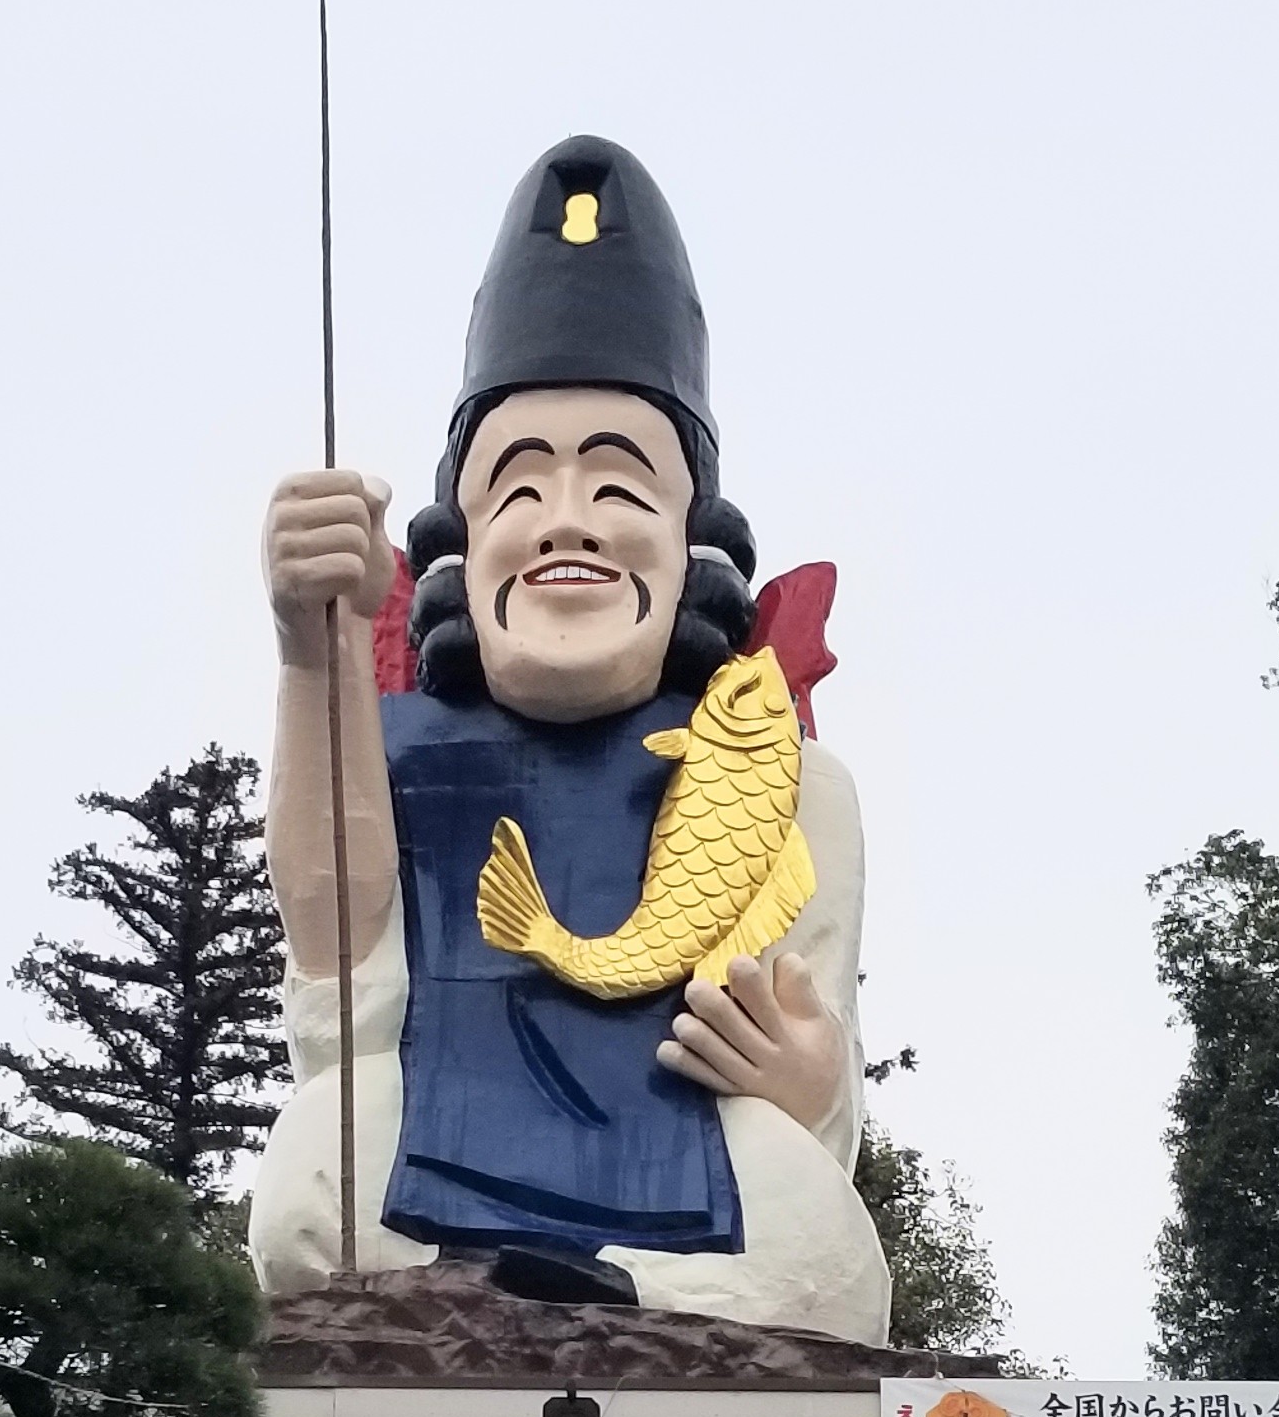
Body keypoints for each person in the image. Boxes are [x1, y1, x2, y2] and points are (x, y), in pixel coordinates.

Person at [248, 137, 891, 1341]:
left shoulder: (787, 775)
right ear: (462, 540)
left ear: (691, 538)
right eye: (520, 489)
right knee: (312, 1171)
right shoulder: (393, 744)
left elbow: (819, 1083)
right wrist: (312, 654)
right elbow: (341, 997)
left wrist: (804, 1079)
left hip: (683, 1157)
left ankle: (619, 1296)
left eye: (618, 485)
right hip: (444, 1124)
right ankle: (492, 1284)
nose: (567, 526)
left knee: (817, 1231)